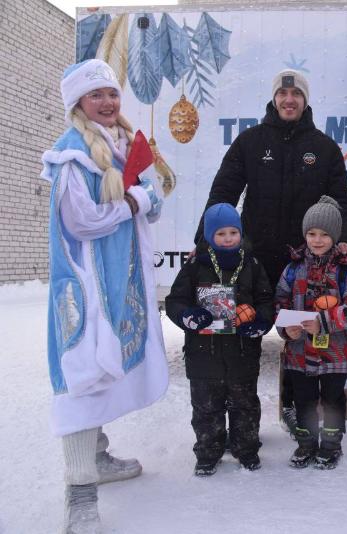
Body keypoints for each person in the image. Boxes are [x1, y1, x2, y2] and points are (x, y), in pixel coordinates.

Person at [40, 58, 168, 533]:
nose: (109, 102)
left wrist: (145, 199)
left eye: (112, 94)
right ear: (78, 102)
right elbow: (83, 220)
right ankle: (79, 495)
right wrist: (137, 200)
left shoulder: (122, 144)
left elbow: (146, 207)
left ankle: (96, 457)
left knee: (103, 369)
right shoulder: (71, 153)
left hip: (121, 281)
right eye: (97, 96)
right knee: (81, 375)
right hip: (87, 287)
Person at [194, 69, 347, 436]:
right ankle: (244, 416)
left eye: (296, 94)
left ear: (305, 100)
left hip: (303, 262)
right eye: (284, 95)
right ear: (274, 99)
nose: (290, 100)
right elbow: (223, 191)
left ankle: (293, 408)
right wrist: (204, 240)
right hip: (254, 258)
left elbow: (341, 201)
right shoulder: (250, 142)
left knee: (299, 335)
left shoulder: (325, 148)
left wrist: (345, 239)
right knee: (246, 332)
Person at [165, 203, 274, 476]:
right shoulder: (194, 266)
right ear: (209, 235)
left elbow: (266, 300)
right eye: (221, 233)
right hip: (204, 355)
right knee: (206, 410)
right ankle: (208, 453)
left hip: (242, 353)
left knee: (245, 407)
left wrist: (260, 321)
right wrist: (188, 316)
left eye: (233, 232)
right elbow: (175, 301)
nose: (228, 238)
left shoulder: (252, 264)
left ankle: (246, 449)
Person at [274, 196, 347, 470]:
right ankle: (306, 444)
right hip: (299, 352)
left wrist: (324, 323)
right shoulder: (293, 268)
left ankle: (330, 445)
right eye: (312, 233)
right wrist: (286, 328)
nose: (317, 240)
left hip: (334, 353)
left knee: (332, 399)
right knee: (303, 400)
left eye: (324, 234)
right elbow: (280, 300)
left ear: (335, 236)